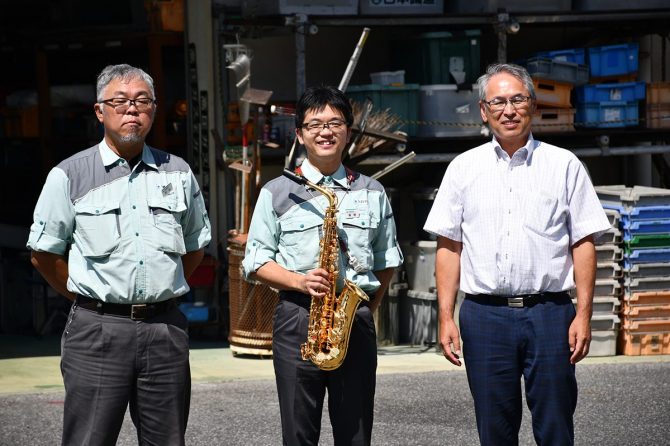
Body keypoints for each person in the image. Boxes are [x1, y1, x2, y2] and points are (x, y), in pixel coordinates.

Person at [424, 63, 610, 446]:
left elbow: (583, 242)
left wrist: (584, 313)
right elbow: (449, 246)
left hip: (550, 314)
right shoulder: (463, 168)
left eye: (517, 99)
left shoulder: (564, 166)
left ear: (533, 104)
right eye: (498, 102)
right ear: (483, 110)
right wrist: (445, 317)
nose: (508, 110)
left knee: (556, 425)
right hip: (484, 316)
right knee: (494, 430)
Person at [27, 64, 211, 446]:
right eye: (121, 101)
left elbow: (195, 246)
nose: (132, 110)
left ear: (154, 110)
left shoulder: (177, 173)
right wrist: (87, 298)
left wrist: (161, 289)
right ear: (100, 111)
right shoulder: (69, 175)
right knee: (89, 439)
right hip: (97, 331)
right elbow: (45, 255)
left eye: (142, 101)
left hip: (165, 331)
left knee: (167, 440)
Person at [242, 85, 403, 446]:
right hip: (298, 317)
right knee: (299, 433)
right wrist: (299, 282)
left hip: (353, 318)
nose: (325, 132)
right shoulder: (277, 191)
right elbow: (255, 262)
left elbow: (386, 260)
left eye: (335, 123)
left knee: (356, 433)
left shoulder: (372, 191)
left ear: (348, 130)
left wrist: (360, 311)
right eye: (314, 125)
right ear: (299, 134)